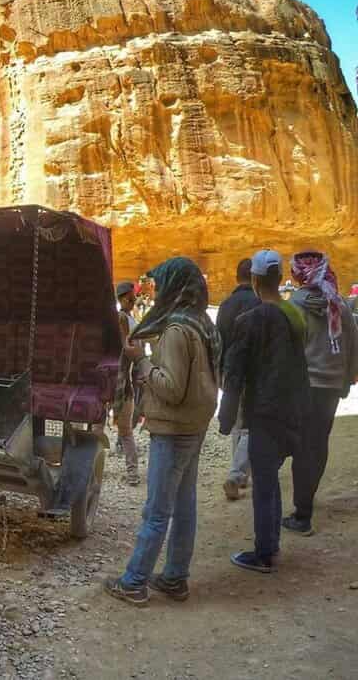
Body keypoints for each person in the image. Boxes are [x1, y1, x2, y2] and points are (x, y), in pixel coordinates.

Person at [104, 257, 219, 606]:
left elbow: (171, 388)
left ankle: (134, 582)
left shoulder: (176, 331)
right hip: (195, 425)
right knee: (184, 506)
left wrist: (142, 361)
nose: (155, 294)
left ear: (175, 287)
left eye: (160, 286)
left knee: (156, 511)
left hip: (173, 429)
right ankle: (174, 577)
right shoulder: (202, 322)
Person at [219, 249, 309, 572]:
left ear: (255, 280)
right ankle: (272, 543)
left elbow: (234, 373)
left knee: (264, 483)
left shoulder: (249, 321)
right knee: (271, 478)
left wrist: (226, 418)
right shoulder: (294, 315)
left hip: (264, 412)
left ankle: (264, 553)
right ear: (279, 278)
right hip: (291, 409)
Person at [284, 251, 358, 535]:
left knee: (302, 446)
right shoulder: (339, 304)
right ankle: (308, 497)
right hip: (330, 388)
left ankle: (302, 513)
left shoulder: (294, 306)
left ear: (297, 275)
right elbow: (352, 344)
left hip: (304, 387)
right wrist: (346, 381)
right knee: (318, 443)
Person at [217, 258, 262, 500]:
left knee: (236, 423)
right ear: (254, 277)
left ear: (236, 277)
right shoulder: (259, 303)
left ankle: (240, 474)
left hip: (229, 370)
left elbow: (218, 341)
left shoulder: (225, 305)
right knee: (250, 424)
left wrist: (219, 372)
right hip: (253, 371)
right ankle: (237, 475)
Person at [114, 281, 144, 486]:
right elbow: (130, 351)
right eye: (131, 297)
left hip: (119, 382)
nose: (134, 300)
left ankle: (91, 471)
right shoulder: (127, 320)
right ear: (124, 298)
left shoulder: (125, 319)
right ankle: (132, 473)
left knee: (100, 429)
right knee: (125, 431)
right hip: (124, 383)